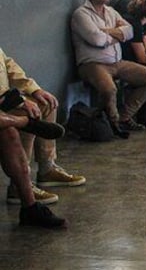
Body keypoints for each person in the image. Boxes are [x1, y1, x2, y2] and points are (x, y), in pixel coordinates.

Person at [2, 47, 86, 207]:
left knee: (45, 103)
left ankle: (47, 169)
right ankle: (19, 185)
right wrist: (17, 101)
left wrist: (34, 89)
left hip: (5, 98)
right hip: (2, 102)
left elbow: (7, 64)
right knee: (29, 115)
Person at [71, 0, 146, 138]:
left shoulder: (111, 12)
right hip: (93, 64)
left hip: (117, 62)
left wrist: (106, 32)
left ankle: (124, 117)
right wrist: (117, 33)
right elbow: (97, 40)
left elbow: (130, 32)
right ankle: (113, 125)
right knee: (109, 89)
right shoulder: (81, 14)